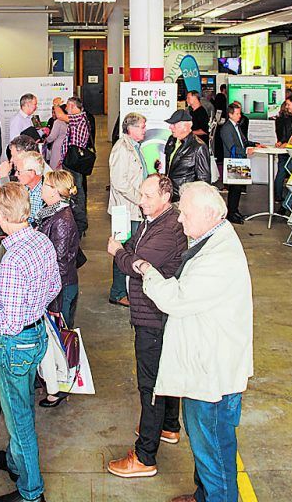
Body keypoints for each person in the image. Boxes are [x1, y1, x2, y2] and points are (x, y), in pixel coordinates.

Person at [132, 181, 253, 502]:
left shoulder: (218, 258)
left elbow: (176, 299)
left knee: (213, 450)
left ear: (209, 213)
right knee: (209, 446)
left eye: (185, 213)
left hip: (212, 376)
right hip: (206, 366)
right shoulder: (212, 237)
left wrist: (146, 270)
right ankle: (204, 496)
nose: (180, 219)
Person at [0, 182, 61, 502]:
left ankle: (31, 493)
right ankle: (14, 461)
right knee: (22, 406)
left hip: (15, 345)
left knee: (20, 420)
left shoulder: (12, 261)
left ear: (1, 215)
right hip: (37, 336)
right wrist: (33, 303)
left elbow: (9, 323)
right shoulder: (41, 240)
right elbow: (55, 286)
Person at [106, 174, 187, 479]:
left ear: (166, 197)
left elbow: (138, 265)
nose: (141, 201)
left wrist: (118, 252)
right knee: (164, 373)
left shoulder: (167, 230)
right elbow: (136, 248)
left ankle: (145, 456)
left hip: (152, 316)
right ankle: (168, 426)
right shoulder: (155, 220)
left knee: (149, 384)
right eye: (141, 195)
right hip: (152, 312)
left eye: (148, 196)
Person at [34, 170, 80, 408]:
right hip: (58, 287)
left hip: (61, 288)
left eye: (45, 185)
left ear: (55, 191)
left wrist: (50, 296)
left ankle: (59, 387)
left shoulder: (62, 220)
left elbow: (60, 263)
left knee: (59, 340)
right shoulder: (52, 213)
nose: (41, 189)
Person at [107, 112, 148, 307]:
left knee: (128, 250)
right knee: (121, 250)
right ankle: (117, 293)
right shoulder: (122, 149)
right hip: (124, 211)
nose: (144, 130)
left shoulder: (133, 146)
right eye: (142, 126)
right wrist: (140, 199)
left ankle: (124, 289)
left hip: (132, 209)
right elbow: (119, 182)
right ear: (130, 128)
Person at [54, 96, 91, 231]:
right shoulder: (82, 117)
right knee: (76, 188)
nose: (65, 108)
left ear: (73, 107)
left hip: (74, 161)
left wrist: (56, 104)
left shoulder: (78, 117)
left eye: (67, 106)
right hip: (72, 159)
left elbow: (60, 115)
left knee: (75, 190)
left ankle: (79, 220)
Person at [221, 103, 257, 225]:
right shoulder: (226, 128)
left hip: (240, 160)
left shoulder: (236, 126)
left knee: (238, 189)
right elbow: (232, 147)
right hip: (234, 161)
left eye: (239, 113)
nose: (239, 116)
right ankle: (231, 214)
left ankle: (235, 211)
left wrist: (254, 144)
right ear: (230, 114)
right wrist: (246, 151)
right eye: (237, 113)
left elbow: (243, 141)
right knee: (234, 189)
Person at [162, 109, 211, 202]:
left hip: (185, 199)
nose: (170, 127)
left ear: (185, 127)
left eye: (174, 124)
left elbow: (203, 181)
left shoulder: (198, 147)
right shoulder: (172, 140)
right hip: (169, 196)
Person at [15, 150, 46, 221]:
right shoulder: (21, 187)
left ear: (31, 173)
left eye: (19, 171)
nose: (16, 174)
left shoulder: (46, 194)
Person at [44, 103, 69, 170]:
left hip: (58, 147)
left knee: (55, 167)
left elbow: (52, 136)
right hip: (67, 146)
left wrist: (45, 140)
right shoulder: (69, 121)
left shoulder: (58, 122)